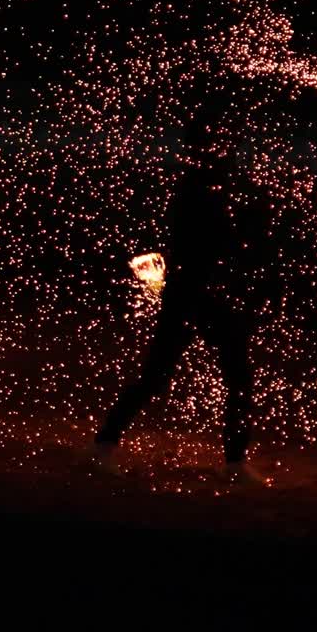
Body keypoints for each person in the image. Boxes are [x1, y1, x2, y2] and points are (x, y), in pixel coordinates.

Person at [88, 88, 269, 485]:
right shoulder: (199, 188)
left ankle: (235, 463)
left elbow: (235, 240)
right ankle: (105, 445)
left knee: (233, 380)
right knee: (161, 377)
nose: (231, 148)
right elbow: (207, 242)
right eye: (225, 140)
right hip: (191, 294)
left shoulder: (217, 183)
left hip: (208, 295)